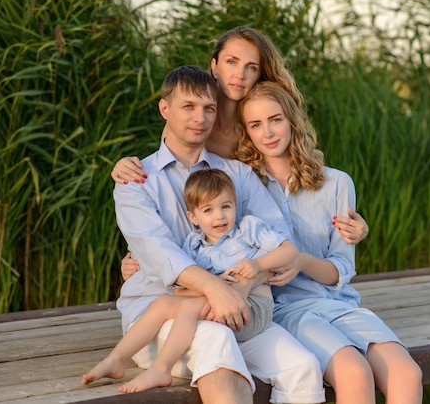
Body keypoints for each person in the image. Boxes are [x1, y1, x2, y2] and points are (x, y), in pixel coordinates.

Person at [108, 65, 325, 404]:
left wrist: (242, 285)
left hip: (239, 305)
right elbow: (158, 251)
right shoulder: (136, 180)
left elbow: (282, 239)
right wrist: (215, 289)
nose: (201, 117)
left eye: (209, 108)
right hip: (163, 318)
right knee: (216, 341)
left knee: (304, 367)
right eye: (189, 107)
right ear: (165, 109)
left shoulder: (236, 174)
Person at [234, 81, 423, 404]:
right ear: (247, 132)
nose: (268, 132)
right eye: (256, 124)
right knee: (354, 372)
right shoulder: (242, 186)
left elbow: (342, 269)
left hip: (339, 303)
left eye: (275, 119)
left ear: (292, 119)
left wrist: (301, 262)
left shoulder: (336, 183)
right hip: (285, 309)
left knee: (407, 373)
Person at [110, 26, 368, 246]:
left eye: (251, 67)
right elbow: (169, 179)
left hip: (262, 230)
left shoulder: (260, 121)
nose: (239, 75)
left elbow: (293, 174)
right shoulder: (195, 121)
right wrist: (124, 167)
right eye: (231, 62)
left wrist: (356, 229)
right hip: (207, 235)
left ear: (259, 74)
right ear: (214, 65)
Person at [82, 168, 295, 393]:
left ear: (235, 206)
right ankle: (116, 359)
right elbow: (181, 290)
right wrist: (214, 284)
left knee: (188, 308)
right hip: (217, 305)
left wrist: (258, 265)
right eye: (208, 210)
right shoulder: (195, 246)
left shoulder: (247, 229)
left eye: (226, 206)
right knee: (163, 303)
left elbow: (289, 251)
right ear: (193, 217)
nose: (219, 216)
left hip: (252, 308)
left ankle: (161, 369)